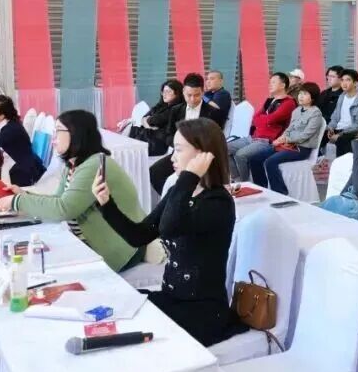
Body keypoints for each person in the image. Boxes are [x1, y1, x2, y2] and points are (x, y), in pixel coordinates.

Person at [92, 118, 246, 346]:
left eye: (179, 150)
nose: (172, 157)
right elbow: (139, 235)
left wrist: (189, 177)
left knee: (128, 331)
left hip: (203, 312)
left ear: (203, 154)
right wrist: (107, 205)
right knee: (111, 310)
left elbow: (170, 226)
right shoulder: (179, 191)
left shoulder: (218, 202)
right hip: (172, 299)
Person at [0, 110, 145, 272]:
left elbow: (64, 209)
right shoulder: (74, 164)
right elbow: (58, 199)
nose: (53, 138)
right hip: (93, 241)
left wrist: (17, 201)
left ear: (76, 134)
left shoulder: (94, 164)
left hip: (120, 247)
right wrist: (23, 195)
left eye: (58, 131)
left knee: (41, 266)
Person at [150, 73, 222, 194]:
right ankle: (173, 198)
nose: (192, 99)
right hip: (179, 154)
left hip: (201, 156)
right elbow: (168, 135)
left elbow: (216, 140)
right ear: (183, 91)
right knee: (154, 172)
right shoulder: (176, 110)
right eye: (189, 95)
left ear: (203, 92)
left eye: (197, 95)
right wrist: (180, 146)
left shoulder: (212, 112)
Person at [249, 82, 325, 193]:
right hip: (286, 145)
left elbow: (306, 135)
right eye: (300, 93)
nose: (301, 96)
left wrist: (286, 139)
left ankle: (280, 193)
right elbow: (289, 129)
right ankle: (262, 188)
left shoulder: (316, 114)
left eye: (305, 94)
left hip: (301, 149)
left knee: (270, 162)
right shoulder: (297, 111)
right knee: (255, 159)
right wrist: (281, 138)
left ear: (312, 97)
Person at [226, 73, 296, 183]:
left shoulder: (289, 103)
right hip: (253, 137)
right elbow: (255, 118)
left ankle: (245, 183)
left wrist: (263, 119)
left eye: (273, 82)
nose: (270, 85)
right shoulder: (269, 101)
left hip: (267, 141)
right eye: (270, 82)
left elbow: (271, 119)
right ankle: (237, 179)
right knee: (224, 148)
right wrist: (264, 120)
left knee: (241, 155)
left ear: (283, 85)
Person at [125, 79, 184, 155]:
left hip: (157, 144)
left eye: (168, 91)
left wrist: (147, 124)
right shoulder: (161, 106)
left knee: (129, 135)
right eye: (163, 91)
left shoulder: (176, 109)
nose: (164, 94)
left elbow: (154, 120)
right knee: (130, 129)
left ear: (177, 93)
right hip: (149, 137)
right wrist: (150, 127)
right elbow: (144, 118)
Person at [328, 69, 358, 157]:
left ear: (355, 83)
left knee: (342, 140)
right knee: (320, 135)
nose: (344, 83)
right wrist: (330, 128)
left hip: (351, 132)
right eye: (342, 80)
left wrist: (339, 135)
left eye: (348, 80)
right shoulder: (341, 97)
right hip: (338, 129)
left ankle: (341, 164)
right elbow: (335, 117)